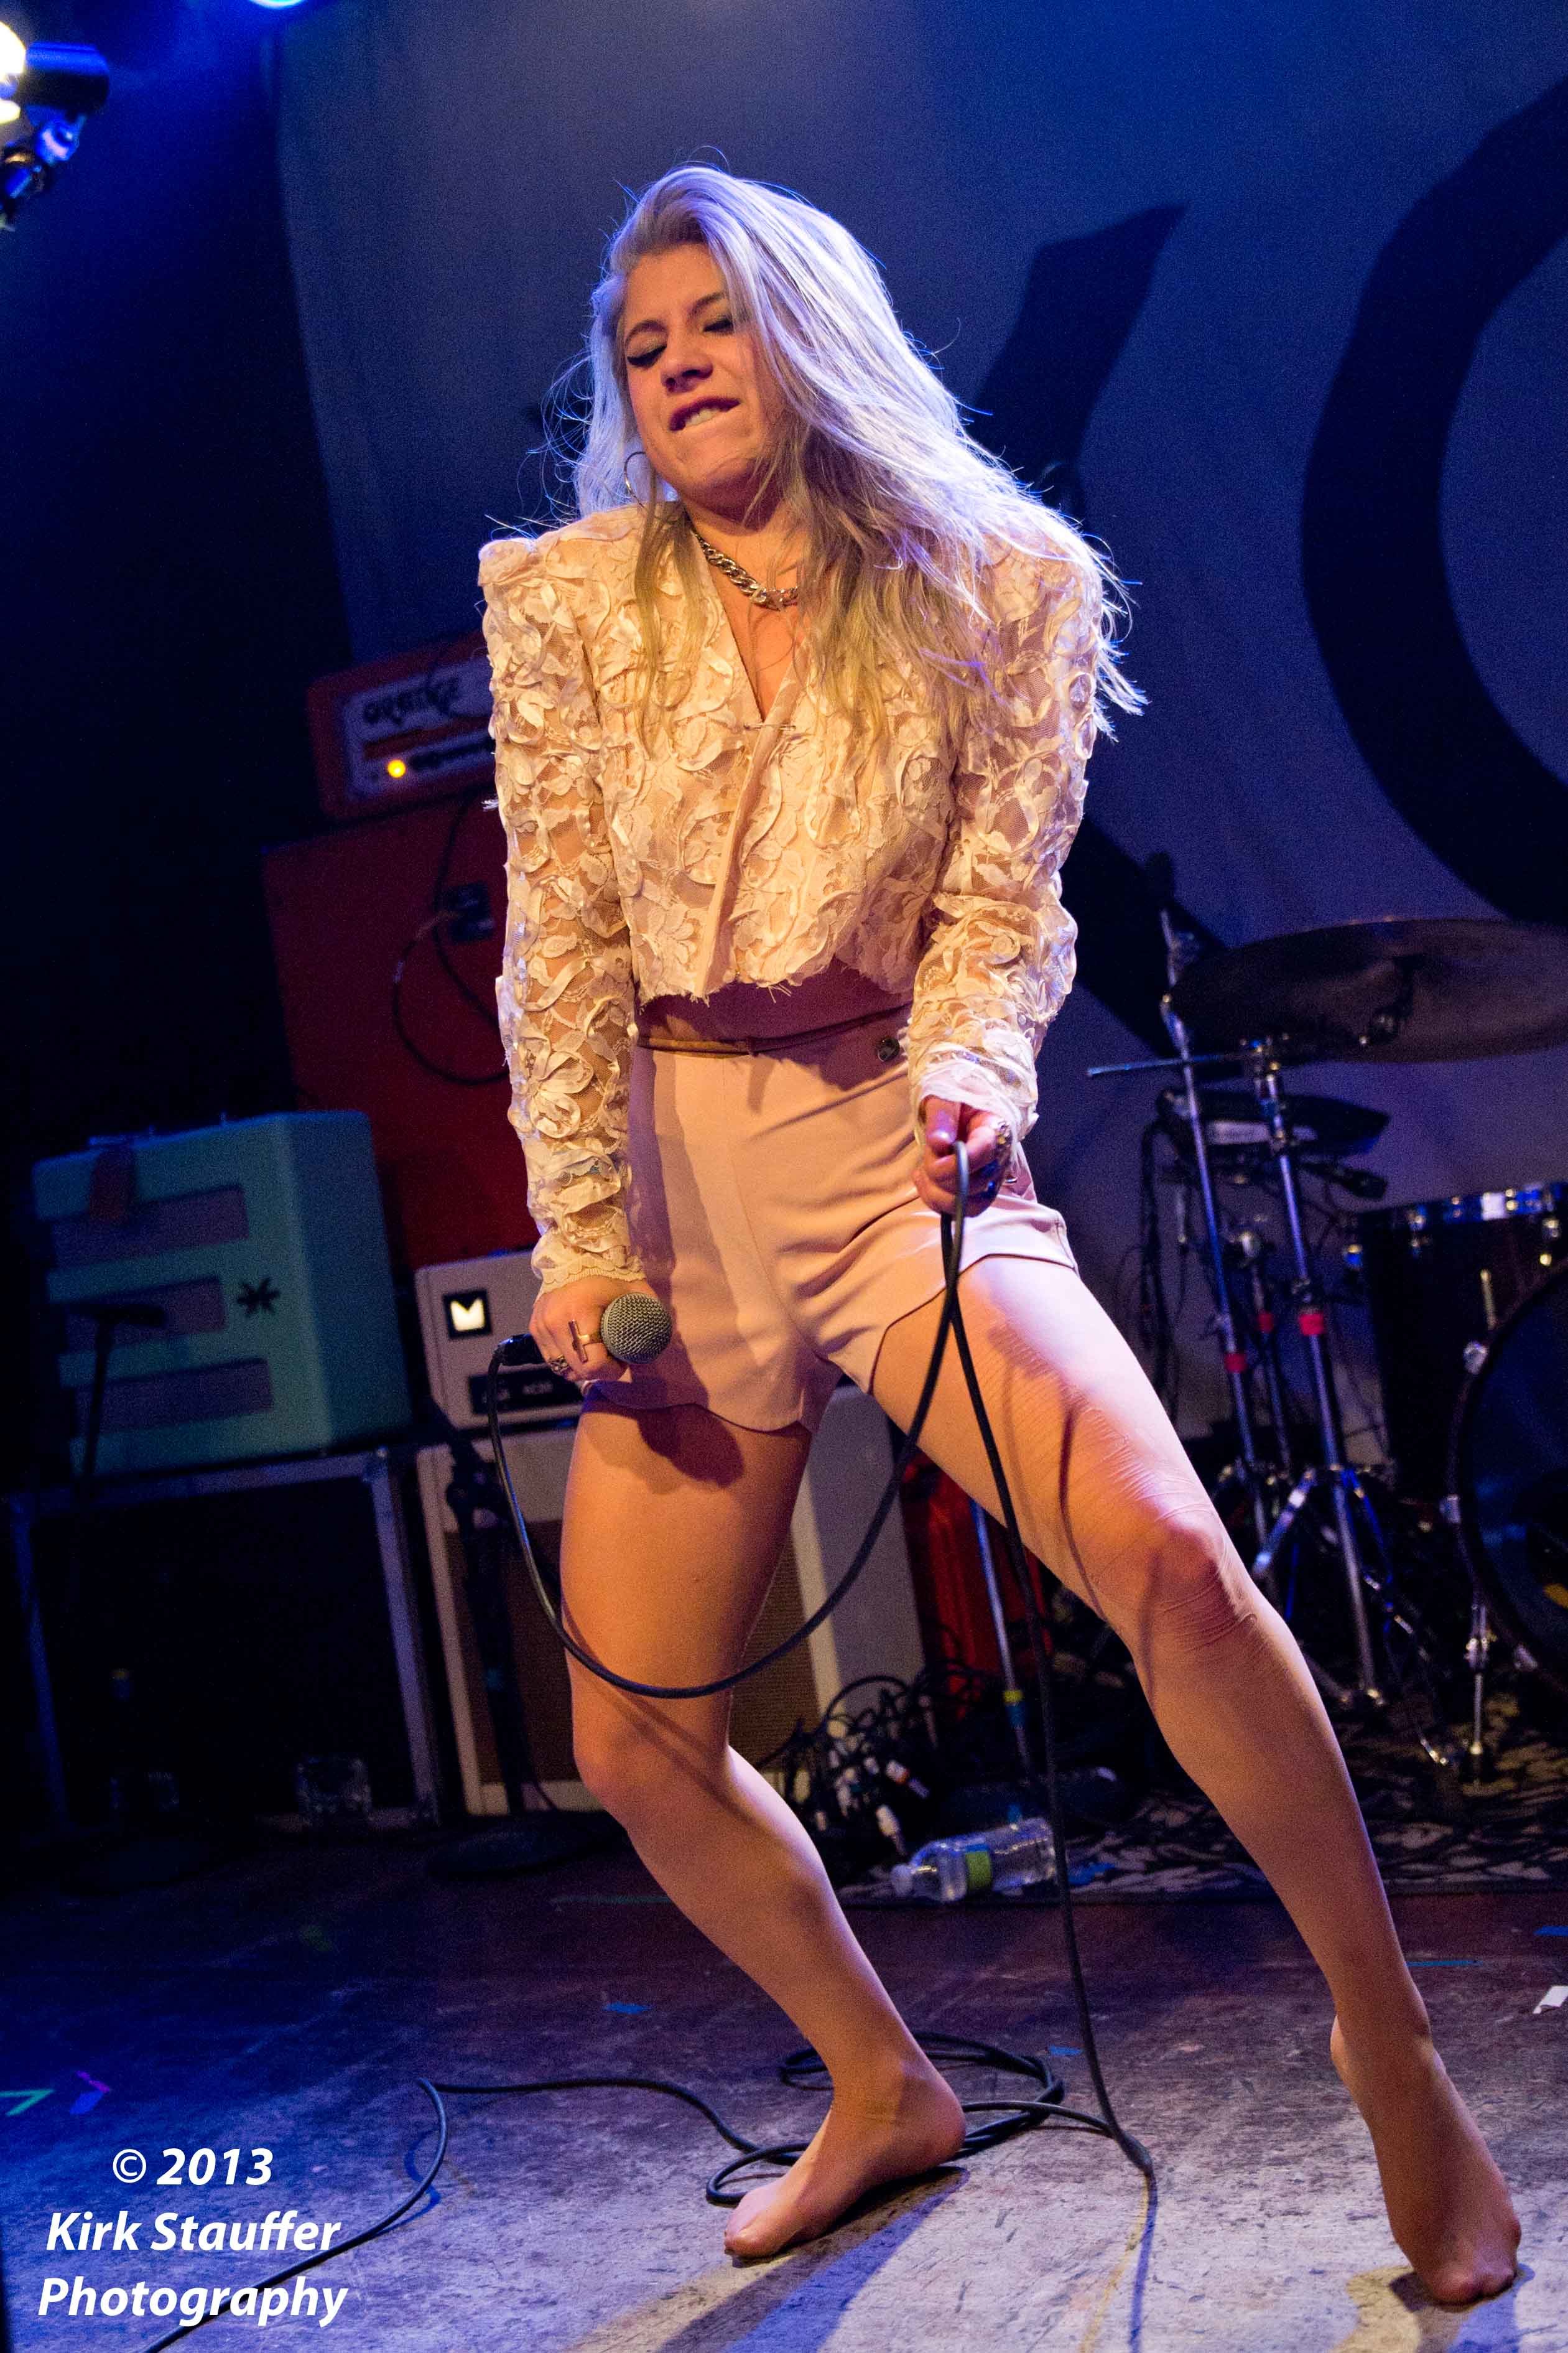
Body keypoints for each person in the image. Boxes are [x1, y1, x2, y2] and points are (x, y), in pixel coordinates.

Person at [477, 164, 1519, 2297]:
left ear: (807, 331)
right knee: (632, 1739)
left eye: (715, 323)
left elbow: (1000, 901)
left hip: (892, 1148)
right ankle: (880, 2084)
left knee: (1168, 1561)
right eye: (642, 346)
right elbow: (558, 940)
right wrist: (581, 1231)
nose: (677, 366)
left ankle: (1390, 2046)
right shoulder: (570, 605)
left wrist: (972, 1068)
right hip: (674, 1179)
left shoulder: (997, 578)